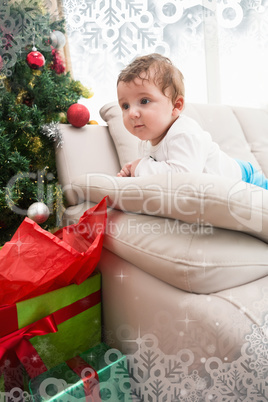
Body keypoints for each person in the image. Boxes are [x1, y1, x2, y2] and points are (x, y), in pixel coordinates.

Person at [116, 53, 268, 189]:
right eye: (125, 106)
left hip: (247, 180)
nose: (132, 113)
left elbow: (184, 178)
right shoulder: (146, 143)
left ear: (176, 106)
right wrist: (132, 175)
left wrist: (140, 167)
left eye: (144, 101)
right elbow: (159, 181)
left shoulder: (184, 133)